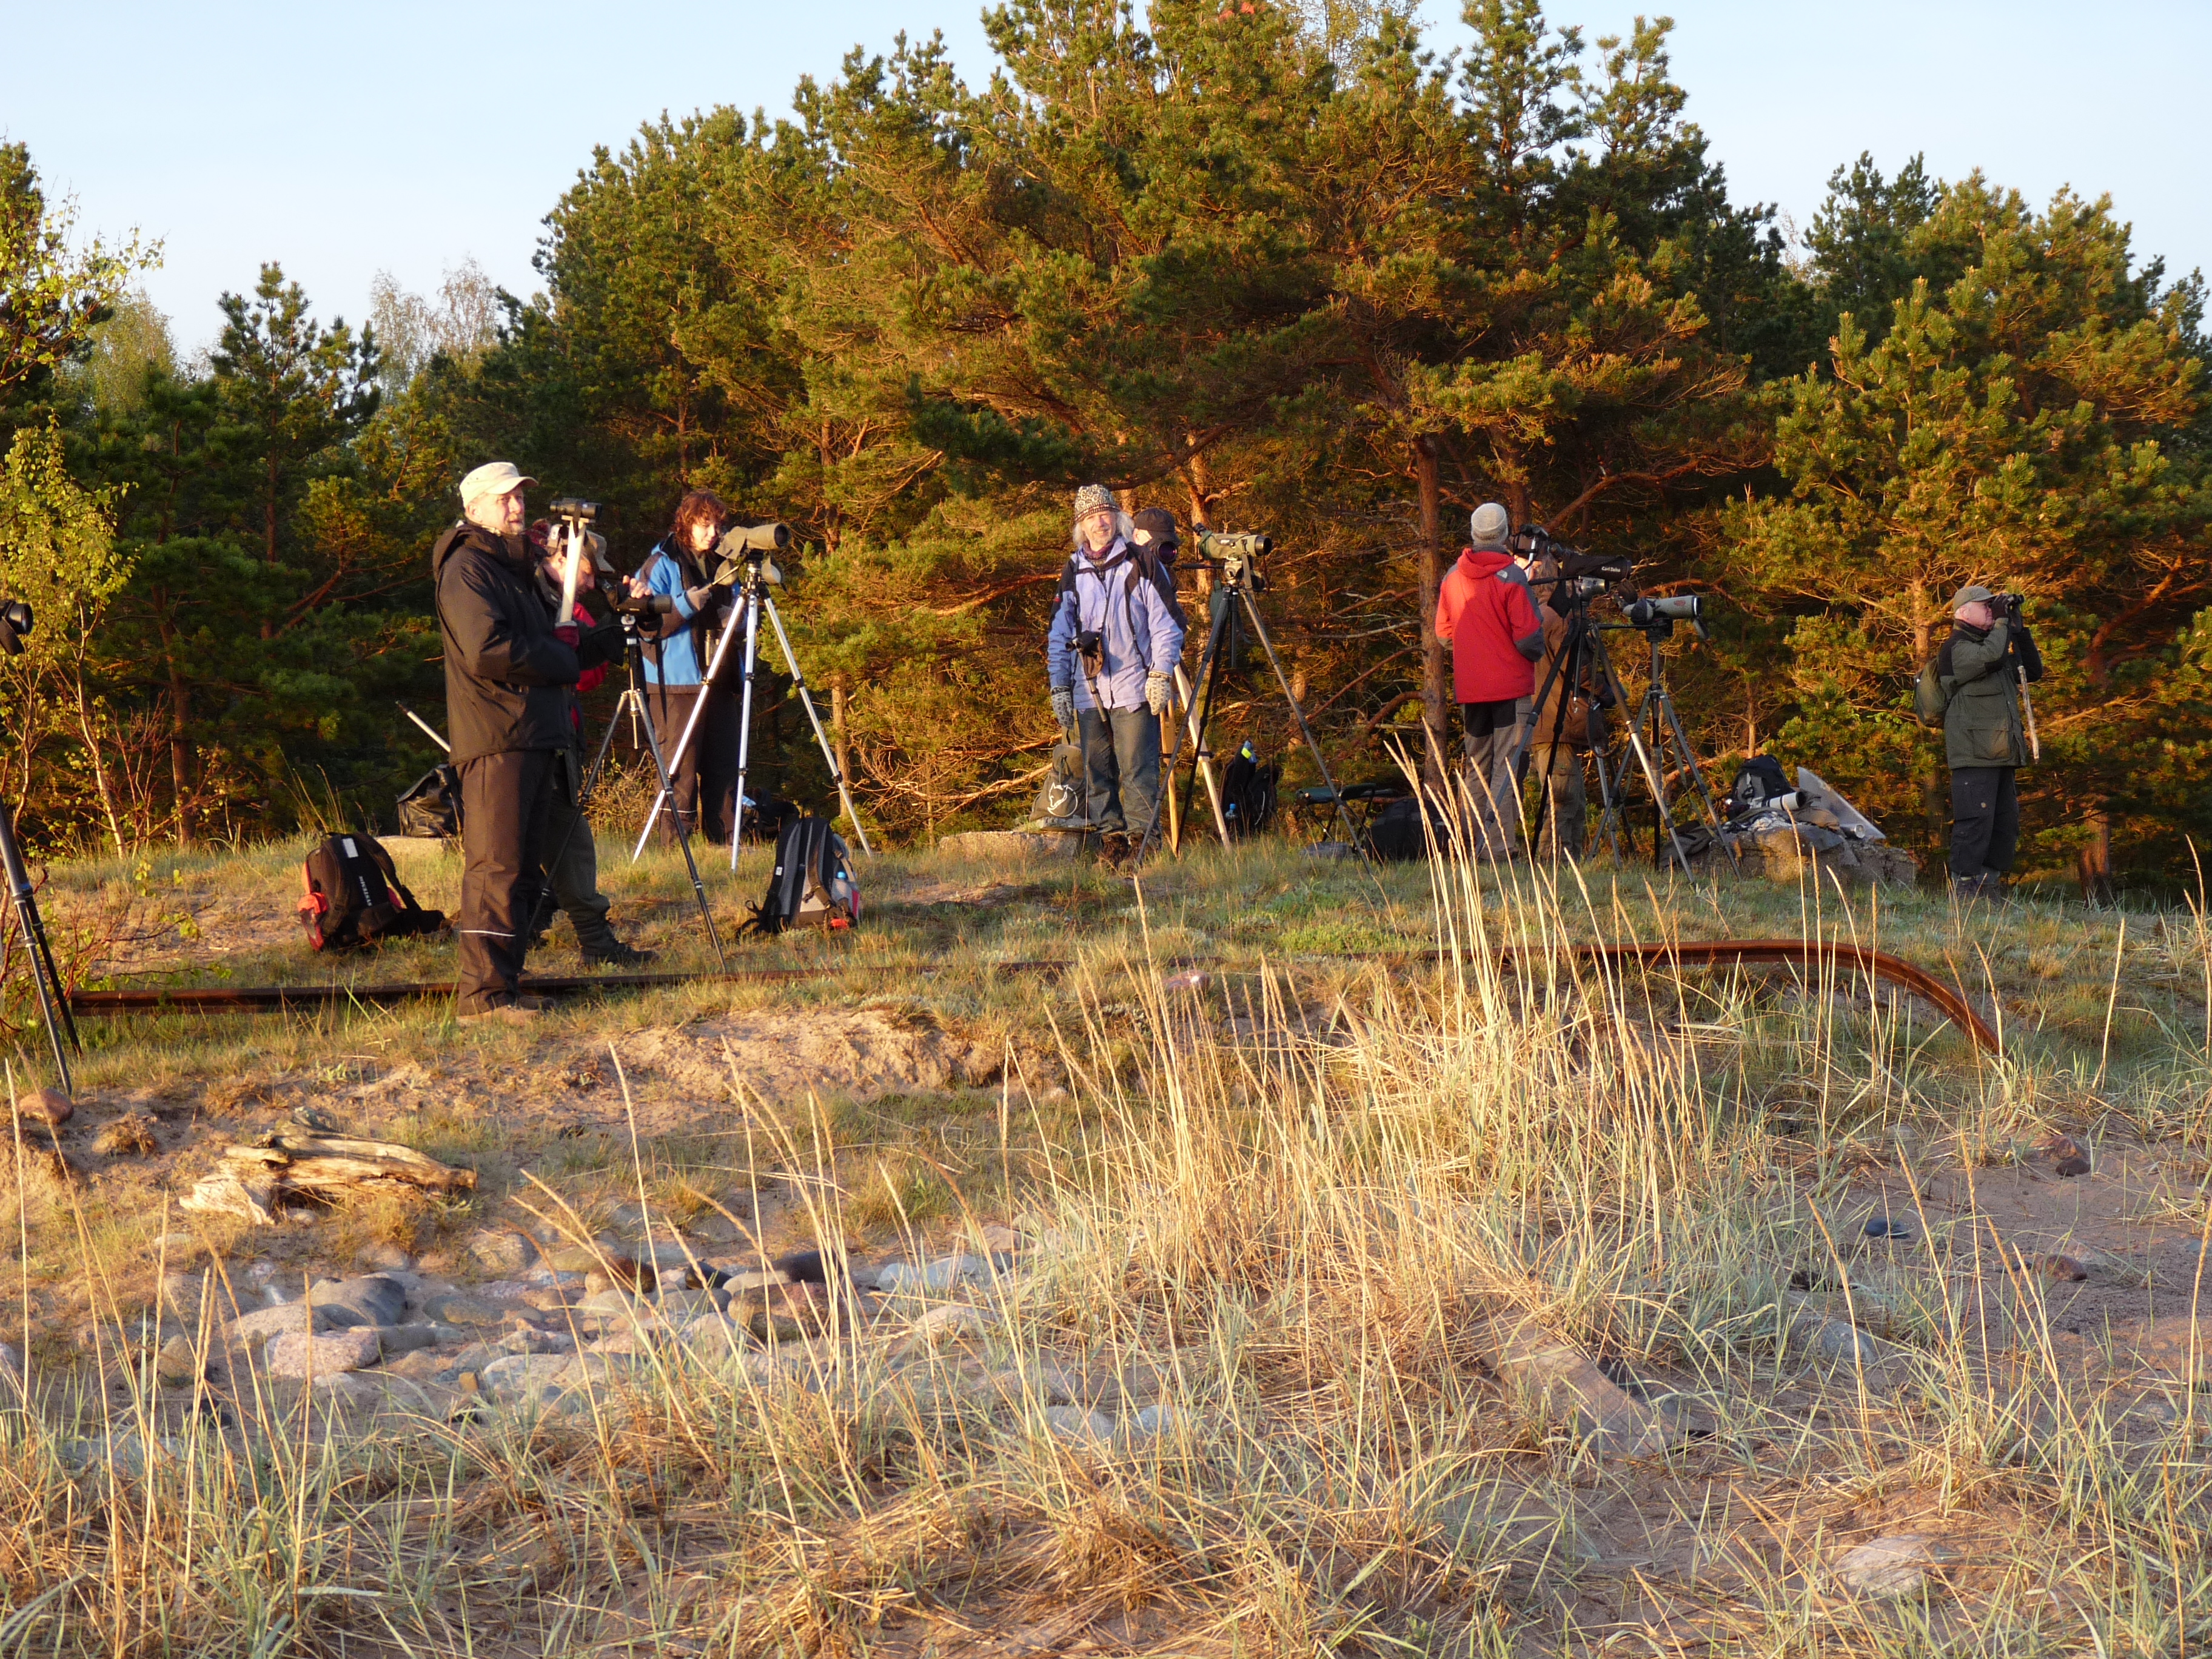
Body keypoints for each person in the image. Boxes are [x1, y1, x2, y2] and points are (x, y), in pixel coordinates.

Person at [432, 461, 618, 1024]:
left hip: (532, 733)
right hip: (497, 736)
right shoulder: (466, 568)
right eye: (504, 498)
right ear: (474, 509)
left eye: (519, 497)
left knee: (520, 872)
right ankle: (482, 999)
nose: (516, 506)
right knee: (497, 868)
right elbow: (488, 650)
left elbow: (563, 646)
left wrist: (618, 632)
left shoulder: (513, 569)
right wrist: (562, 656)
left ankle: (505, 988)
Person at [525, 520, 655, 967]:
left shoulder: (561, 604)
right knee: (551, 837)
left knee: (562, 834)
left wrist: (625, 618)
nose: (591, 581)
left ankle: (570, 935)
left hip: (557, 732)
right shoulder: (529, 598)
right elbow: (573, 670)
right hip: (532, 735)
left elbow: (585, 669)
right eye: (587, 570)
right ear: (561, 557)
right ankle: (543, 933)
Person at [1046, 486, 1185, 863]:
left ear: (1118, 518)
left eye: (1105, 514)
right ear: (1081, 526)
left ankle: (1145, 849)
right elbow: (1059, 634)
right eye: (1091, 517)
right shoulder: (1074, 571)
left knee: (1138, 771)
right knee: (1097, 775)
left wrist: (1160, 674)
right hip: (1087, 690)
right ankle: (1112, 846)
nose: (1100, 523)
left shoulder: (1141, 562)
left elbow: (1168, 625)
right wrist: (1059, 686)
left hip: (1135, 687)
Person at [629, 490, 739, 845]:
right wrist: (685, 606)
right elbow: (646, 624)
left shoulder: (725, 562)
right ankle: (675, 848)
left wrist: (735, 620)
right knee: (680, 771)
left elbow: (740, 610)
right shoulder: (661, 563)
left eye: (717, 526)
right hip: (676, 683)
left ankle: (725, 843)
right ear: (686, 524)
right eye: (705, 525)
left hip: (721, 678)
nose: (712, 533)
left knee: (724, 768)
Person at [1435, 502, 1544, 857]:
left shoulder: (1453, 577)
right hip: (1510, 687)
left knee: (1476, 766)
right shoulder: (1512, 578)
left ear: (1473, 533)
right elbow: (1528, 639)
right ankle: (1497, 848)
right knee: (1506, 767)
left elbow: (1443, 635)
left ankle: (1469, 844)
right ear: (1504, 534)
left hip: (1472, 689)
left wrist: (1473, 650)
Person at [1940, 583, 2043, 899]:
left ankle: (1988, 889)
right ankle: (1963, 891)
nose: (1991, 610)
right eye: (1985, 606)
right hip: (1973, 754)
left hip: (2000, 752)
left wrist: (2019, 631)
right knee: (1974, 823)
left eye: (1993, 605)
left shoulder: (1992, 647)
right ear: (1963, 612)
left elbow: (2032, 671)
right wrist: (2001, 622)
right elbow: (1991, 656)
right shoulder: (1956, 648)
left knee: (2003, 825)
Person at [1518, 544, 1603, 859]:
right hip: (1556, 721)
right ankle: (1552, 865)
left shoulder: (1536, 616)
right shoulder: (1556, 619)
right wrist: (1606, 691)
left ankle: (1568, 866)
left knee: (1573, 803)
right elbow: (1579, 670)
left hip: (1548, 721)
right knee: (1562, 800)